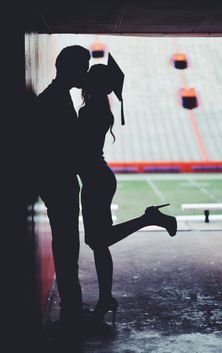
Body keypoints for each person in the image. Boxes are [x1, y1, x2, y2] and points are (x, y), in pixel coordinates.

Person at [77, 61, 177, 326]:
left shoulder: (88, 111)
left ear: (94, 84)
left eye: (89, 77)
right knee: (99, 244)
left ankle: (150, 218)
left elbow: (78, 150)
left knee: (99, 241)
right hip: (98, 178)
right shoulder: (99, 110)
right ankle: (105, 298)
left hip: (95, 180)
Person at [36, 45, 90, 328]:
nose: (87, 71)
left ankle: (73, 305)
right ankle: (72, 309)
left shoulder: (56, 96)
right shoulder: (54, 100)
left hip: (57, 181)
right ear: (69, 68)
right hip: (59, 182)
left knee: (68, 245)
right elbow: (63, 146)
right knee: (68, 246)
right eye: (84, 66)